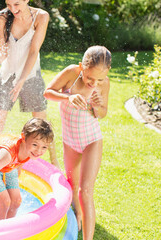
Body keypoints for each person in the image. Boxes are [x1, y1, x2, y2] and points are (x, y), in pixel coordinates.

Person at [0, 0, 59, 169]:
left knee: (42, 123)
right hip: (7, 76)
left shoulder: (41, 17)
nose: (13, 9)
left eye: (17, 4)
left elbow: (33, 51)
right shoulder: (2, 17)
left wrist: (22, 80)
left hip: (31, 75)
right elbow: (1, 53)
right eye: (9, 4)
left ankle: (54, 163)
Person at [43, 46, 111, 240]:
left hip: (91, 140)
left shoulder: (104, 83)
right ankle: (77, 214)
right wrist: (69, 96)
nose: (94, 83)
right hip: (71, 141)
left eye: (99, 79)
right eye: (90, 78)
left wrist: (98, 106)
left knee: (86, 190)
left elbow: (104, 112)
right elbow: (48, 92)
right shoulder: (72, 74)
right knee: (72, 188)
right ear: (82, 67)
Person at [0, 118, 54, 222]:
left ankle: (8, 229)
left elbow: (19, 162)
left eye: (44, 147)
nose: (39, 151)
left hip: (9, 163)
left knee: (16, 201)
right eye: (35, 145)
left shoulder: (30, 151)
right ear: (23, 138)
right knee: (4, 201)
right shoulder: (7, 155)